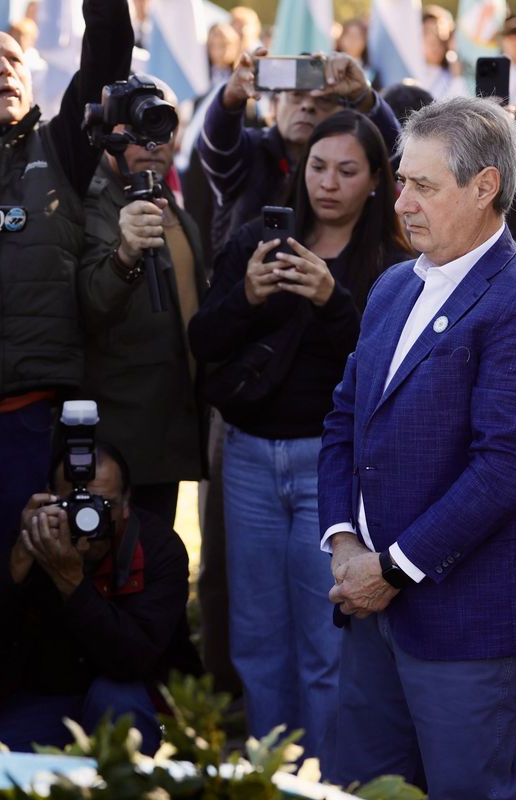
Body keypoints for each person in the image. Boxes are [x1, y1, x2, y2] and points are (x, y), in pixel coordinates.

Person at [319, 96, 516, 796]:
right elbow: (346, 420)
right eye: (402, 181)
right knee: (361, 787)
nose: (401, 201)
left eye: (423, 186)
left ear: (485, 186)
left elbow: (504, 470)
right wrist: (345, 542)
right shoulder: (391, 287)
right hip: (368, 608)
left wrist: (393, 569)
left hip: (467, 624)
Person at [189, 110, 411, 757]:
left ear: (375, 181)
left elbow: (385, 370)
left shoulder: (390, 262)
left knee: (327, 641)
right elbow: (203, 341)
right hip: (250, 457)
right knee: (256, 639)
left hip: (331, 466)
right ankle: (270, 773)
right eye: (318, 166)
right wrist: (248, 296)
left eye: (347, 170)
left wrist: (330, 299)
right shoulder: (260, 240)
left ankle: (325, 778)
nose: (329, 184)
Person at [0, 0, 134, 574]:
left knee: (24, 574)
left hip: (27, 416)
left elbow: (107, 58)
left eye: (15, 59)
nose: (5, 68)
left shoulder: (61, 148)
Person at [0, 440, 201, 753]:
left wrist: (71, 581)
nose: (89, 518)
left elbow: (133, 659)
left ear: (127, 503)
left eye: (104, 504)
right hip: (51, 695)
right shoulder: (39, 535)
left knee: (114, 701)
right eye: (75, 504)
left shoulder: (157, 548)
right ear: (49, 497)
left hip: (131, 694)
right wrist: (21, 553)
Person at [77, 76, 205, 523]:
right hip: (117, 440)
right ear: (110, 131)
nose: (151, 141)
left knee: (155, 577)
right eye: (137, 126)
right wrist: (126, 254)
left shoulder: (172, 205)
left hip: (166, 430)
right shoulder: (86, 204)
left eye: (161, 124)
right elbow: (90, 304)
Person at [197, 49, 399, 252]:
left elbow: (393, 159)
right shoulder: (250, 151)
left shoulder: (358, 154)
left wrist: (363, 95)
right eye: (296, 96)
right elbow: (216, 145)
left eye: (324, 99)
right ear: (274, 106)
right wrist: (232, 96)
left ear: (345, 113)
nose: (308, 106)